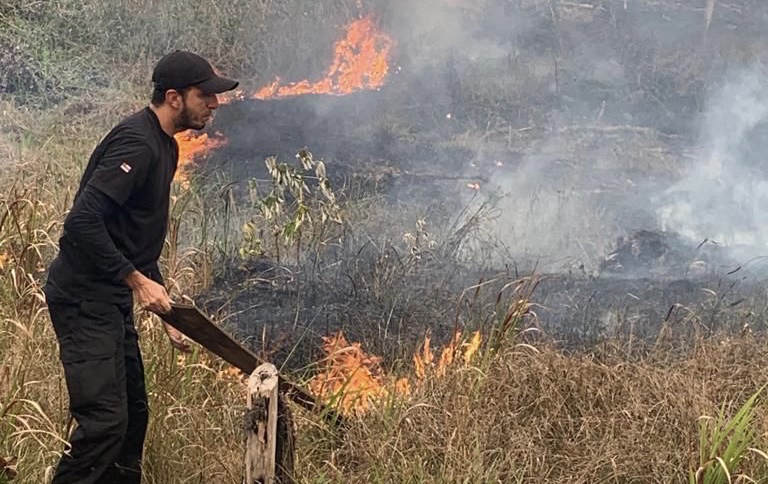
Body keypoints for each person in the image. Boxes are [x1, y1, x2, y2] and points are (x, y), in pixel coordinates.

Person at [44, 51, 238, 484]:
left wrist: (163, 302)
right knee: (104, 425)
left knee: (132, 417)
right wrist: (135, 281)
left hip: (110, 297)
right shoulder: (136, 142)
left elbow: (135, 233)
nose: (214, 104)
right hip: (82, 298)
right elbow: (82, 222)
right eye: (204, 95)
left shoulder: (166, 146)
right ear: (174, 97)